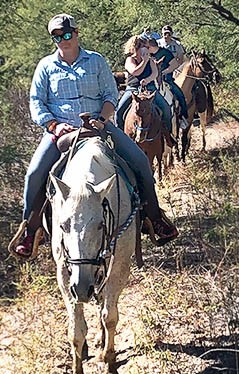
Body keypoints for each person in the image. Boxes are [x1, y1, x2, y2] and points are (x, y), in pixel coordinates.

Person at [14, 14, 178, 257]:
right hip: (61, 131)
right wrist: (54, 126)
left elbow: (110, 95)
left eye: (67, 34)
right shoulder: (45, 66)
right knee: (34, 174)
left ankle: (154, 218)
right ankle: (31, 231)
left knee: (140, 162)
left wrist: (102, 119)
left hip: (98, 125)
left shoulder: (96, 61)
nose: (63, 40)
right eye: (57, 36)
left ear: (76, 33)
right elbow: (36, 103)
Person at [115, 35, 175, 143]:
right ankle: (119, 139)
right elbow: (135, 72)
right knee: (119, 111)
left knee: (166, 108)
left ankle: (168, 135)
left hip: (150, 88)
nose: (145, 49)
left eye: (146, 47)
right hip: (132, 89)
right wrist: (144, 61)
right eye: (142, 46)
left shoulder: (150, 60)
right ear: (135, 48)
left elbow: (155, 73)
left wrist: (147, 79)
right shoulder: (130, 60)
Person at [142, 34, 189, 129]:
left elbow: (175, 64)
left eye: (147, 47)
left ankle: (183, 117)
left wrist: (164, 72)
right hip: (150, 81)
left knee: (179, 94)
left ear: (151, 46)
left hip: (166, 80)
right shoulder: (147, 55)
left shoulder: (165, 53)